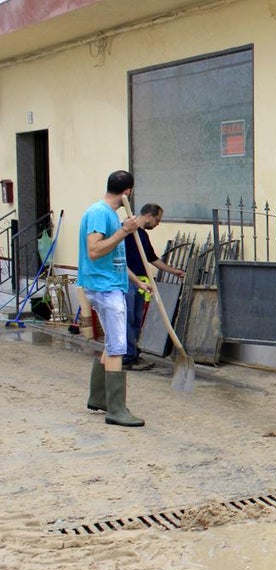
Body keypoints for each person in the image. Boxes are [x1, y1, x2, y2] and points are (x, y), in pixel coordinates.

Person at [78, 170, 144, 427]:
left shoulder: (111, 216)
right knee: (118, 345)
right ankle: (116, 409)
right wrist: (124, 232)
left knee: (113, 343)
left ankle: (99, 397)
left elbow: (115, 258)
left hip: (112, 284)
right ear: (128, 191)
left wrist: (137, 281)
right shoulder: (98, 213)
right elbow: (94, 251)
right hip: (104, 288)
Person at [123, 203, 185, 371]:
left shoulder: (142, 235)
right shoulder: (126, 231)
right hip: (126, 280)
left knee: (136, 319)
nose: (158, 224)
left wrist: (173, 271)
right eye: (157, 220)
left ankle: (133, 352)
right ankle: (127, 356)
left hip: (141, 281)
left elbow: (152, 258)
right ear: (149, 216)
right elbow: (119, 259)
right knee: (127, 318)